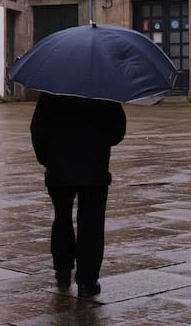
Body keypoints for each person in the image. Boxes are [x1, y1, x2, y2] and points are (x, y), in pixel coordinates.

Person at [29, 92, 126, 297]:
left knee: (62, 217)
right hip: (94, 168)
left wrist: (47, 158)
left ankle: (62, 270)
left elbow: (37, 128)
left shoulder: (52, 90)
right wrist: (99, 141)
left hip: (59, 167)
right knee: (91, 222)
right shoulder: (104, 91)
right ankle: (87, 281)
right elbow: (118, 130)